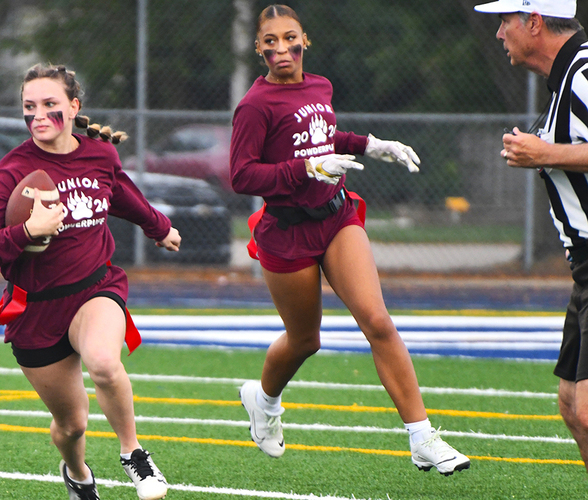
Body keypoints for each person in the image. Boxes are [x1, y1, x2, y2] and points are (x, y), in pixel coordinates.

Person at [228, 5, 470, 475]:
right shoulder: (255, 105)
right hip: (287, 229)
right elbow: (241, 174)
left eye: (290, 38)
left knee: (377, 320)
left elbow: (320, 133)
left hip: (336, 215)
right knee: (305, 340)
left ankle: (423, 437)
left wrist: (370, 145)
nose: (282, 48)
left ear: (305, 41)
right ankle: (263, 400)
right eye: (270, 41)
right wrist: (306, 168)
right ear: (258, 48)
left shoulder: (320, 86)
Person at [0, 63, 180, 500]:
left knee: (103, 362)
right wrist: (28, 231)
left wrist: (159, 227)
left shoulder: (100, 155)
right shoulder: (13, 172)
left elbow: (124, 196)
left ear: (74, 106)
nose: (39, 116)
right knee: (71, 424)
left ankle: (133, 453)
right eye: (29, 108)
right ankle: (78, 472)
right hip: (36, 310)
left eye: (50, 105)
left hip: (94, 288)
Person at [473, 0, 588, 472]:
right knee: (571, 407)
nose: (500, 33)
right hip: (583, 268)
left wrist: (545, 151)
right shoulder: (566, 75)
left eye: (505, 22)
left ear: (534, 23)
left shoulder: (583, 71)